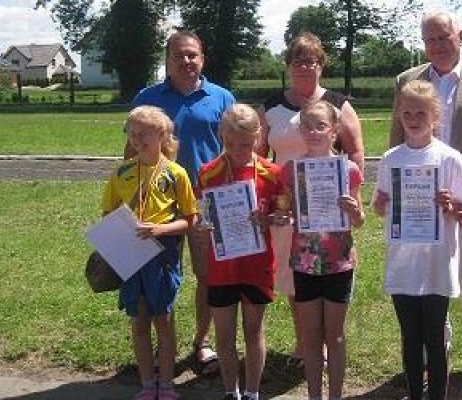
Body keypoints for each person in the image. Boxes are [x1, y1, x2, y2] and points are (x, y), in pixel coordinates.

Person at [389, 11, 462, 400]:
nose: (437, 45)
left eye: (444, 37)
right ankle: (429, 360)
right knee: (429, 285)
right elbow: (396, 140)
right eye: (430, 39)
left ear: (460, 36)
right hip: (420, 214)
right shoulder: (407, 82)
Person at [129, 29, 236, 377]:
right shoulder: (148, 98)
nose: (186, 61)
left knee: (207, 276)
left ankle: (201, 343)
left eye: (193, 55)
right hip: (160, 205)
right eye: (179, 55)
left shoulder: (222, 98)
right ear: (168, 60)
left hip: (207, 204)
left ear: (202, 59)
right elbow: (132, 151)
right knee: (160, 277)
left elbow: (235, 149)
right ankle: (165, 341)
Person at [258, 32, 365, 368]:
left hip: (329, 209)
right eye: (298, 60)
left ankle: (324, 345)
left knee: (329, 271)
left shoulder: (338, 103)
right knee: (295, 277)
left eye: (312, 60)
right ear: (288, 65)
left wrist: (353, 193)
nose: (305, 66)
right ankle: (304, 345)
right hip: (287, 204)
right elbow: (259, 156)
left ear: (321, 65)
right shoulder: (271, 106)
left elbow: (356, 148)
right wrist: (267, 200)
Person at [374, 80, 462, 400]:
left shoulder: (450, 159)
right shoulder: (391, 159)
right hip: (403, 264)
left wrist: (452, 207)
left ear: (436, 116)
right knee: (410, 337)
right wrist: (379, 205)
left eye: (421, 112)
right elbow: (382, 208)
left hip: (436, 264)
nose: (413, 118)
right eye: (406, 112)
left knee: (434, 337)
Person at [103, 105, 199, 400]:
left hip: (163, 254)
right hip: (132, 254)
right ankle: (147, 384)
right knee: (139, 320)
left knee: (164, 320)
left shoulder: (176, 173)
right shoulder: (121, 172)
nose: (136, 139)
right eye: (131, 133)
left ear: (162, 134)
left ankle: (167, 385)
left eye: (143, 133)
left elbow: (191, 219)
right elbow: (108, 212)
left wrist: (161, 230)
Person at [279, 100, 365, 400]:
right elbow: (289, 212)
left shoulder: (349, 170)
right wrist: (284, 217)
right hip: (304, 263)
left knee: (336, 336)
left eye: (321, 126)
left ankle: (336, 396)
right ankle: (314, 395)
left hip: (338, 264)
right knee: (311, 337)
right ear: (300, 130)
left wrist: (353, 210)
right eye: (308, 126)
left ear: (334, 131)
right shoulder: (290, 171)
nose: (314, 131)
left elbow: (360, 220)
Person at [196, 104, 282, 400]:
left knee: (254, 330)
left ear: (259, 138)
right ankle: (230, 391)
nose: (238, 150)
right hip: (222, 268)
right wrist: (203, 223)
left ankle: (253, 391)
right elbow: (201, 216)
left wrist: (269, 219)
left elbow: (285, 216)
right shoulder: (207, 173)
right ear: (221, 136)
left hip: (256, 265)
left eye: (246, 144)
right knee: (224, 334)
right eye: (230, 144)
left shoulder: (273, 173)